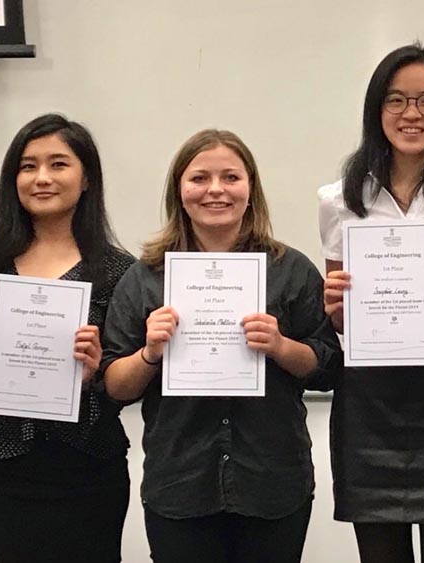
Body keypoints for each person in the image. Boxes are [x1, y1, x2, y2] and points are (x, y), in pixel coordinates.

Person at [101, 129, 341, 563]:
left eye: (231, 177)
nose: (215, 190)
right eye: (199, 178)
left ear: (251, 189)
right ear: (179, 190)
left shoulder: (291, 270)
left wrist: (280, 346)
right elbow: (115, 386)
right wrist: (150, 353)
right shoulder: (145, 278)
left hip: (272, 482)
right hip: (180, 484)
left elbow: (327, 368)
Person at [317, 43, 424, 563]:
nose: (410, 114)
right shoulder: (337, 199)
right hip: (370, 395)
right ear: (376, 110)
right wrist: (338, 309)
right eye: (396, 100)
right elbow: (341, 310)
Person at [0, 113, 134, 563]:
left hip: (87, 467)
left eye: (59, 164)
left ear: (86, 177)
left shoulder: (119, 272)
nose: (42, 178)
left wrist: (98, 371)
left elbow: (130, 381)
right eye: (28, 166)